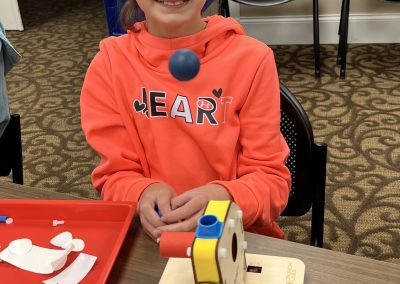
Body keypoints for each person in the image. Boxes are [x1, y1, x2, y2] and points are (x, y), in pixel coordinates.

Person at [80, 0, 291, 242]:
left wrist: (227, 198)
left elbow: (271, 181)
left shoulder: (253, 59)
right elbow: (114, 176)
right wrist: (141, 192)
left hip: (232, 235)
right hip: (152, 239)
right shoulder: (109, 64)